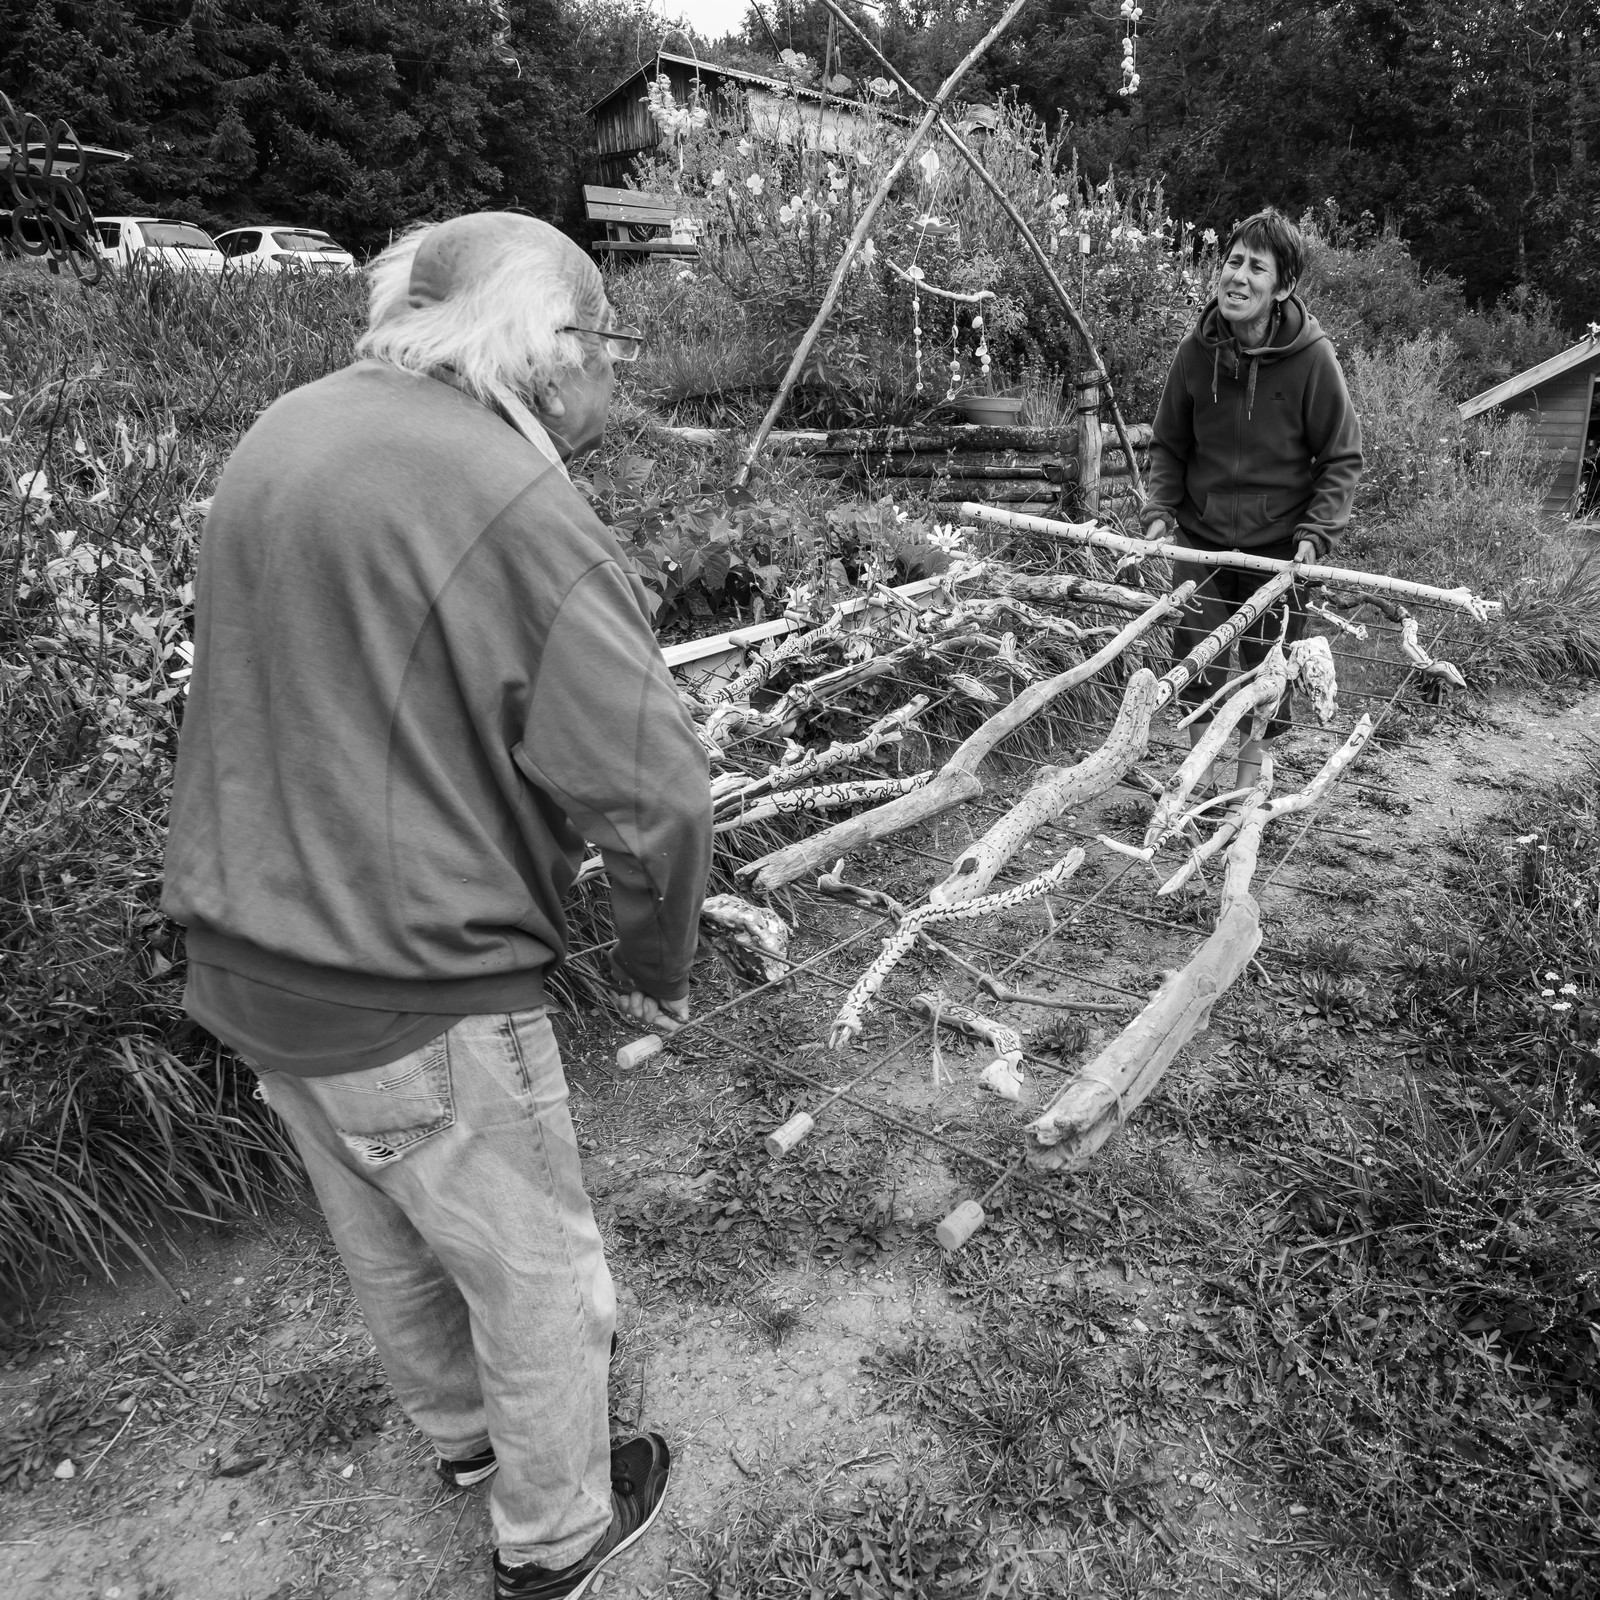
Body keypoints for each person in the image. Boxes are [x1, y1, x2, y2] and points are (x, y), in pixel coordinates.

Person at [162, 213, 713, 1599]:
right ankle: (558, 1530)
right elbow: (657, 792)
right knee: (533, 1268)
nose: (610, 378)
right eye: (605, 342)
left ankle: (468, 1442)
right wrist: (658, 962)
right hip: (408, 970)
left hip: (245, 947)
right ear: (546, 341)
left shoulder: (288, 429)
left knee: (387, 1228)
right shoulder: (513, 500)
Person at [1140, 207, 1363, 791]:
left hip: (1280, 552)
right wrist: (1161, 511)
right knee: (1197, 665)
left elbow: (1340, 456)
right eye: (1233, 261)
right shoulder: (1195, 352)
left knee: (1266, 675)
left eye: (1256, 268)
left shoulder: (1313, 358)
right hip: (1202, 544)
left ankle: (1243, 798)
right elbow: (1169, 444)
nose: (1238, 276)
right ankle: (1198, 793)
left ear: (1282, 286)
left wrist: (1316, 535)